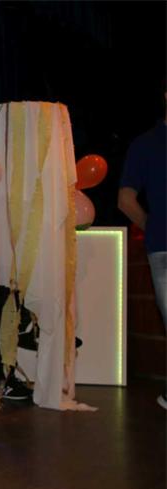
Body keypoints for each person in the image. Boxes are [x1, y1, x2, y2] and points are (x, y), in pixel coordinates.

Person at [117, 86, 167, 410]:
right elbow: (125, 200)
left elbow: (126, 200)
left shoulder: (146, 143)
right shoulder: (147, 143)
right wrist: (155, 226)